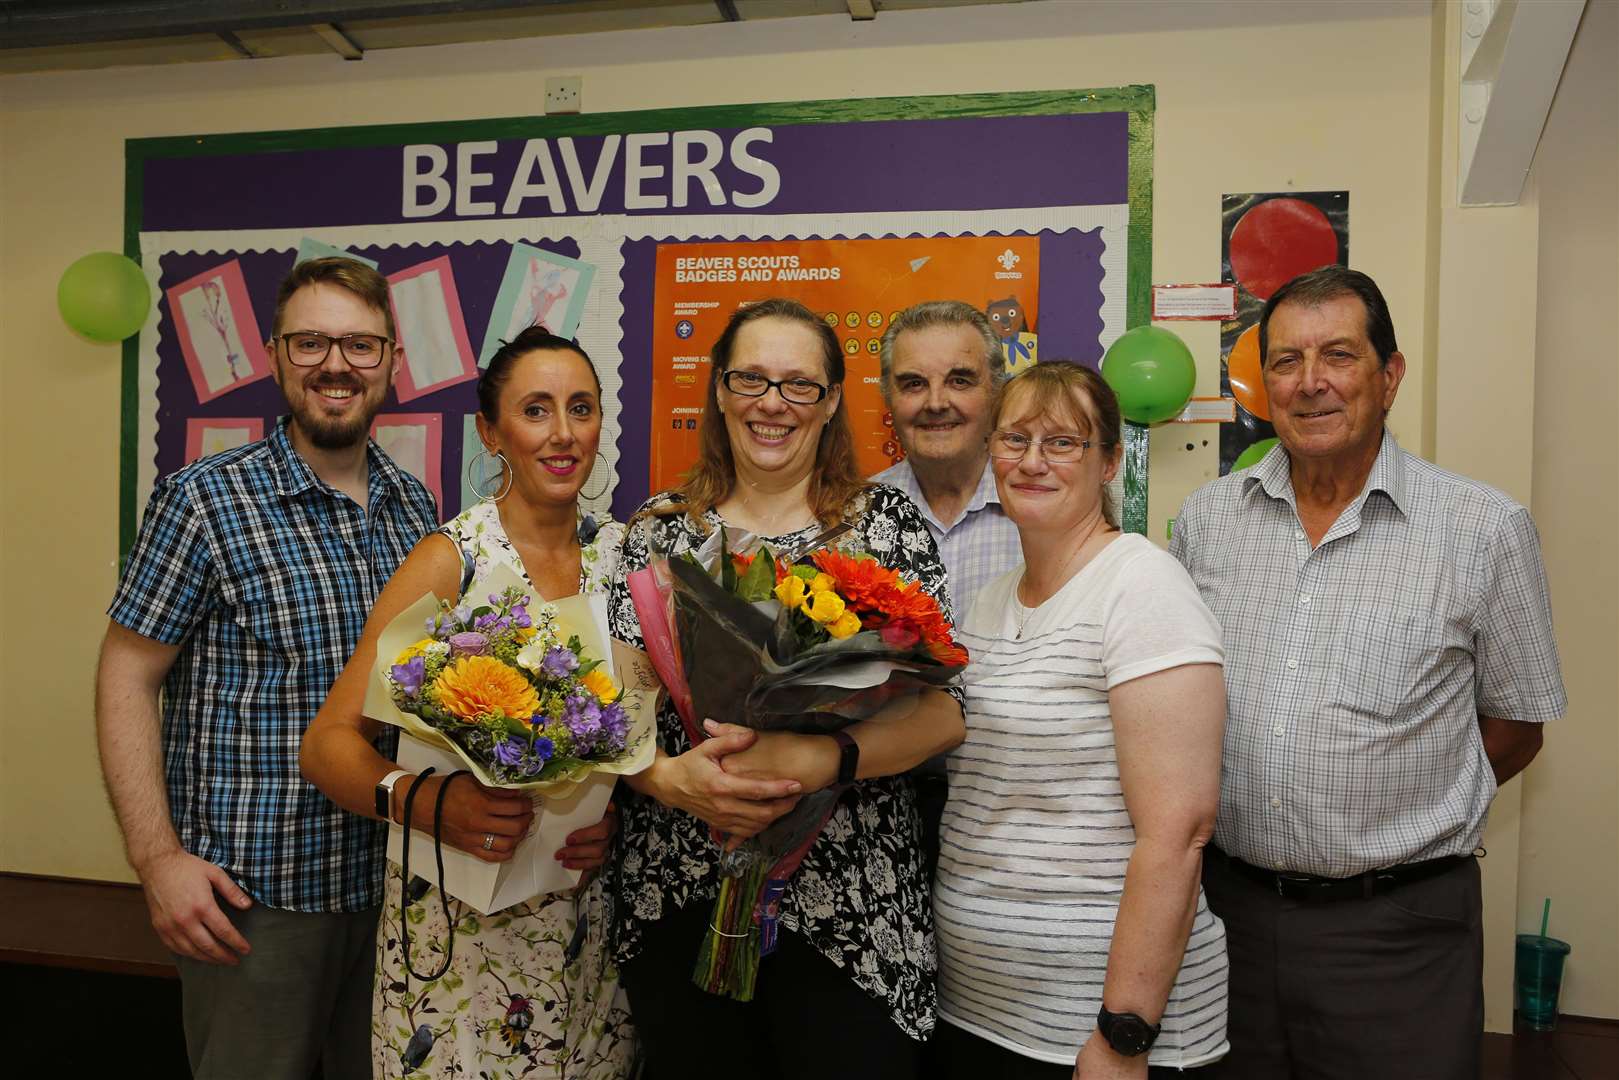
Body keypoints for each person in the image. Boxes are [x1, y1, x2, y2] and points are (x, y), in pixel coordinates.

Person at [1170, 266, 1566, 1079]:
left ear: (1389, 377)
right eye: (1285, 360)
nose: (1310, 382)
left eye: (1338, 356)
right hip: (1226, 918)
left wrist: (1398, 808)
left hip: (1400, 935)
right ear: (1262, 383)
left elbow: (1517, 727)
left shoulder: (1484, 530)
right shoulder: (1209, 521)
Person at [95, 257, 440, 1079]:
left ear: (393, 361)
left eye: (360, 345)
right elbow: (125, 678)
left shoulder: (416, 508)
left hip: (390, 892)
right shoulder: (203, 501)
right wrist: (156, 862)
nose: (335, 365)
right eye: (311, 341)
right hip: (251, 905)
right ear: (278, 357)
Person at [605, 297, 967, 1080]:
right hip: (681, 894)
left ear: (833, 400)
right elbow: (612, 715)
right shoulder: (656, 531)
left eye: (799, 385)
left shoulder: (884, 527)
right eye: (752, 379)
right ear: (719, 390)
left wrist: (822, 759)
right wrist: (667, 781)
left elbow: (943, 713)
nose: (773, 403)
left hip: (849, 912)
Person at [300, 328, 635, 1078]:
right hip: (455, 942)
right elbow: (326, 745)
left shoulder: (623, 559)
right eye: (536, 410)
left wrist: (611, 819)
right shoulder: (453, 559)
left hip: (583, 935)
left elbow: (634, 736)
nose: (562, 434)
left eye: (581, 409)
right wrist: (422, 800)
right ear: (493, 432)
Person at [934, 360, 1229, 1079]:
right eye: (1015, 439)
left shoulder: (1141, 585)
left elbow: (1178, 832)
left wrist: (1123, 1034)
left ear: (1109, 463)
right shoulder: (991, 602)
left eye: (1062, 442)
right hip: (981, 1011)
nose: (1032, 462)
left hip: (1099, 1031)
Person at [871, 301, 1022, 880]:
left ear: (996, 391)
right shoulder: (850, 518)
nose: (936, 402)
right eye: (914, 383)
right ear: (889, 399)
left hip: (1013, 820)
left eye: (960, 380)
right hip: (879, 812)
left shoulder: (1041, 509)